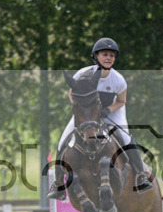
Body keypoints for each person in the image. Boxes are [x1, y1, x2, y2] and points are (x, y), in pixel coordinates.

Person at [47, 37, 153, 200]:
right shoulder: (83, 74)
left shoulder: (118, 80)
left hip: (112, 110)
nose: (109, 58)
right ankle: (58, 185)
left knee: (125, 138)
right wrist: (82, 111)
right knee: (63, 140)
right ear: (96, 56)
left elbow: (121, 101)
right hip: (86, 113)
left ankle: (141, 175)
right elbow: (72, 93)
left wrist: (107, 110)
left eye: (112, 55)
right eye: (105, 54)